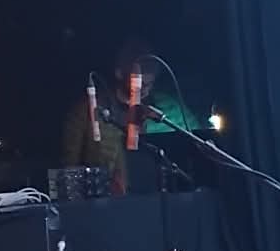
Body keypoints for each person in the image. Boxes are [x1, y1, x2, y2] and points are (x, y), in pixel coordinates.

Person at [60, 38, 200, 192]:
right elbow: (68, 171)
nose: (144, 89)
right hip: (109, 204)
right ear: (120, 73)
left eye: (150, 84)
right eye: (139, 83)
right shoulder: (87, 111)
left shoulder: (169, 109)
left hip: (160, 198)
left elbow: (196, 146)